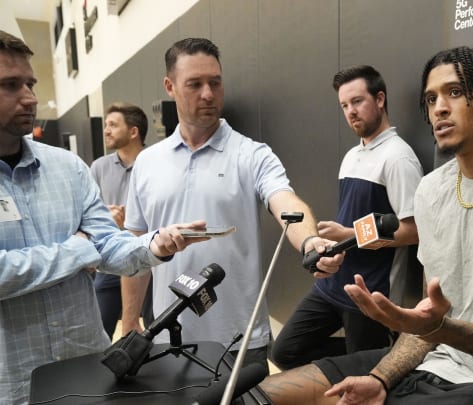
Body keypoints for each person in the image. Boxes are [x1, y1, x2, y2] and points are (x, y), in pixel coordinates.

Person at [259, 46, 473, 405]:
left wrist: (433, 327)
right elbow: (430, 319)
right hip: (436, 359)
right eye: (431, 99)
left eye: (455, 92)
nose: (439, 109)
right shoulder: (430, 188)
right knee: (263, 395)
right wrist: (380, 379)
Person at [0, 31, 208, 404]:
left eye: (30, 83)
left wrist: (154, 244)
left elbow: (108, 246)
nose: (30, 97)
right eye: (10, 85)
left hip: (86, 366)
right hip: (13, 381)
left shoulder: (68, 169)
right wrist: (78, 251)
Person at [122, 37, 344, 374]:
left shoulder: (251, 154)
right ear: (169, 86)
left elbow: (284, 200)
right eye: (194, 84)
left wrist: (310, 242)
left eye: (215, 82)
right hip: (168, 337)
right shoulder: (147, 162)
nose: (208, 94)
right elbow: (134, 248)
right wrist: (129, 321)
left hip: (239, 342)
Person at [271, 65, 423, 370]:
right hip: (332, 285)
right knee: (284, 352)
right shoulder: (352, 155)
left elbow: (414, 230)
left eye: (357, 101)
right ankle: (380, 353)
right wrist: (335, 241)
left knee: (364, 376)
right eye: (344, 105)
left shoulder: (398, 157)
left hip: (371, 292)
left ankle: (379, 353)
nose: (350, 112)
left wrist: (350, 234)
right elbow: (349, 224)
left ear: (380, 99)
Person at [90, 102, 154, 339]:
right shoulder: (98, 167)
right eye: (106, 125)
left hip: (151, 261)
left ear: (133, 131)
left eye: (113, 125)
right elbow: (85, 217)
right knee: (99, 330)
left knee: (155, 330)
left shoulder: (157, 163)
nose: (106, 130)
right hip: (110, 262)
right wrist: (107, 218)